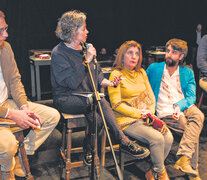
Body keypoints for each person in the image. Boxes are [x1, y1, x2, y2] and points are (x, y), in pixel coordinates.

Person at [50, 10, 149, 166]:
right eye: (83, 29)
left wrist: (109, 83)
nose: (87, 32)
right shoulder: (59, 53)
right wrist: (87, 61)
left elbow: (97, 75)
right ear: (72, 31)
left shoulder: (85, 49)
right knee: (98, 102)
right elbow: (71, 83)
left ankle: (89, 148)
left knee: (97, 112)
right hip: (66, 97)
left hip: (87, 97)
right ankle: (122, 141)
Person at [0, 10, 60, 179]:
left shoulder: (6, 49)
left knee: (51, 116)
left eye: (6, 28)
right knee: (8, 144)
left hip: (6, 104)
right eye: (1, 30)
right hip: (3, 111)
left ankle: (22, 154)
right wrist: (11, 114)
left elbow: (15, 80)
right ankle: (8, 167)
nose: (6, 34)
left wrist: (23, 107)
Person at [108, 40, 173, 180]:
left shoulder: (141, 72)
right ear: (122, 55)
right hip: (126, 120)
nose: (134, 57)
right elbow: (116, 104)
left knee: (168, 137)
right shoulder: (116, 74)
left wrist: (149, 114)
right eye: (130, 53)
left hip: (145, 117)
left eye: (137, 54)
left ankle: (154, 171)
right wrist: (139, 113)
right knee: (157, 138)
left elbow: (150, 96)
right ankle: (161, 174)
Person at [146, 38, 204, 180]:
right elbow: (141, 84)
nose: (169, 55)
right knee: (190, 128)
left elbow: (191, 98)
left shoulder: (187, 73)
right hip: (165, 110)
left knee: (198, 116)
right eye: (168, 51)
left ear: (181, 56)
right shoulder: (154, 69)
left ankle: (184, 160)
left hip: (182, 106)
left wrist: (179, 106)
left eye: (174, 52)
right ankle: (192, 170)